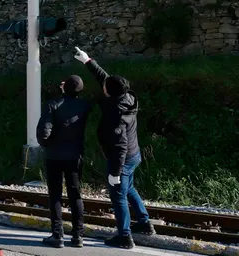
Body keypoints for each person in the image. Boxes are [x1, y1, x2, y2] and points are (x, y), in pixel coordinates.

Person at [73, 46, 156, 249]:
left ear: (109, 92)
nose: (102, 86)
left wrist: (115, 173)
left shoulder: (116, 115)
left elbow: (120, 146)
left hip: (123, 158)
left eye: (105, 87)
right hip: (134, 155)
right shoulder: (126, 97)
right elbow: (106, 78)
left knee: (118, 194)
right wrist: (87, 61)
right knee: (129, 189)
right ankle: (145, 223)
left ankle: (124, 236)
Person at [36, 75, 91, 248]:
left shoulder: (52, 105)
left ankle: (57, 235)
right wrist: (68, 90)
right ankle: (78, 236)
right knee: (75, 195)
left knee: (55, 196)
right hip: (75, 156)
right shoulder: (84, 106)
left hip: (54, 156)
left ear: (64, 87)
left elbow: (44, 133)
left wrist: (46, 144)